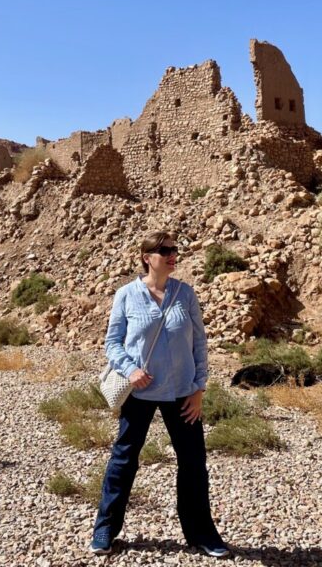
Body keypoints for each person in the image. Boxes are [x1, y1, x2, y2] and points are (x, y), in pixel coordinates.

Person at [90, 230, 230, 558]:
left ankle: (202, 534)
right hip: (140, 392)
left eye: (174, 250)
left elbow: (199, 343)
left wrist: (199, 388)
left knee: (193, 463)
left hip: (182, 392)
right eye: (164, 250)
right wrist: (130, 369)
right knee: (124, 459)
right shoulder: (127, 294)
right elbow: (112, 343)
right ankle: (105, 529)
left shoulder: (185, 293)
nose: (172, 255)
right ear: (146, 257)